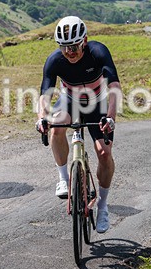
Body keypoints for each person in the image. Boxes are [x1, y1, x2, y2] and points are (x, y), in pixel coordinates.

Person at [36, 16, 122, 234]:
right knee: (56, 127)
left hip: (97, 102)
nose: (69, 52)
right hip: (70, 100)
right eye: (64, 47)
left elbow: (114, 86)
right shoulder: (55, 60)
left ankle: (102, 207)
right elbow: (45, 93)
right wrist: (41, 117)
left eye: (74, 46)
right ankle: (63, 179)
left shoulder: (98, 51)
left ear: (84, 40)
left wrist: (110, 117)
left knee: (104, 153)